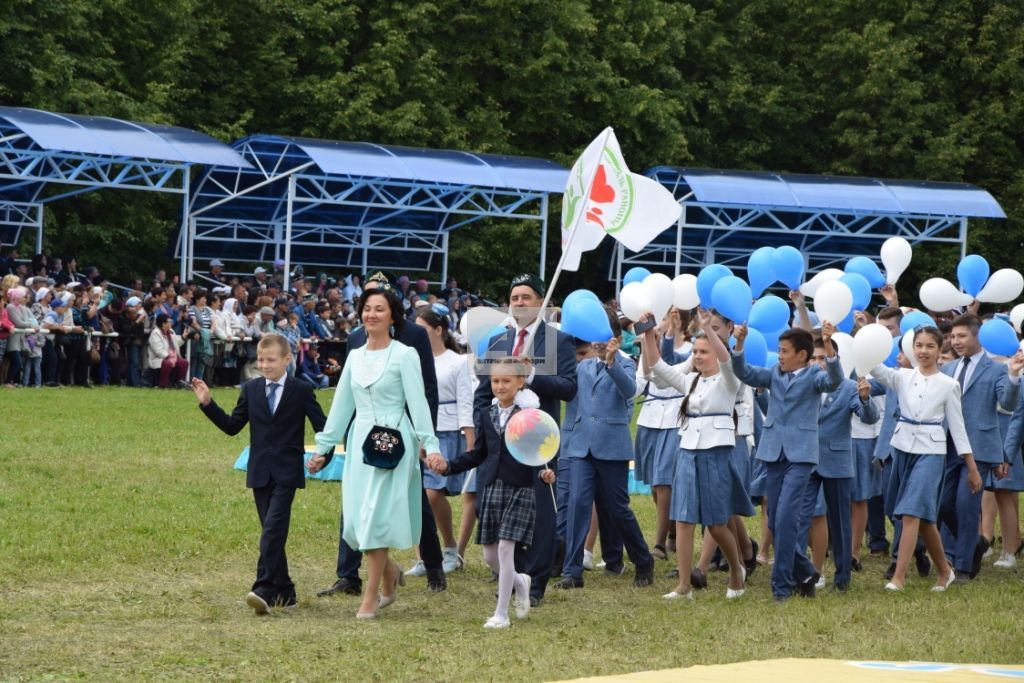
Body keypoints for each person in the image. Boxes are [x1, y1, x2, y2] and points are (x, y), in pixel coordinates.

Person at [309, 286, 441, 619]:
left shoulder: (404, 354)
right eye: (367, 308)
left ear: (393, 315)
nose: (372, 315)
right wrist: (324, 448)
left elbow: (418, 404)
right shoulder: (354, 356)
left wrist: (432, 444)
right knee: (357, 521)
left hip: (394, 444)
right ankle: (390, 571)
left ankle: (369, 599)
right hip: (359, 443)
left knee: (376, 518)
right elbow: (341, 407)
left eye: (379, 309)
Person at [192, 334, 333, 614]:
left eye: (271, 360)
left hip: (287, 472)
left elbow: (324, 428)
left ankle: (263, 587)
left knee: (272, 531)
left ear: (287, 360)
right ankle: (287, 592)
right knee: (273, 534)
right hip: (259, 472)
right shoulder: (252, 389)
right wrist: (208, 403)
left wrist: (323, 457)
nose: (265, 365)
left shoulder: (301, 390)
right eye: (261, 360)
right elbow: (233, 426)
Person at [428, 359, 556, 628]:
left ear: (520, 382)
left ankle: (502, 613)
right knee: (490, 556)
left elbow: (542, 450)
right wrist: (450, 466)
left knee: (506, 548)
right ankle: (520, 580)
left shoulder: (529, 414)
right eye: (495, 381)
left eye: (506, 381)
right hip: (493, 487)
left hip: (522, 488)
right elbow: (479, 454)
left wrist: (547, 474)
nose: (500, 386)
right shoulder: (486, 414)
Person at [475, 273, 576, 606]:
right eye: (514, 297)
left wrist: (532, 375)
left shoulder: (556, 341)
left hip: (537, 440)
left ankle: (534, 584)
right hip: (500, 441)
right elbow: (481, 392)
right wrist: (483, 427)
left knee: (540, 512)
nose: (519, 303)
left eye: (526, 297)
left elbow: (568, 388)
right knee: (500, 506)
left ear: (541, 302)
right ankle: (510, 576)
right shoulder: (499, 342)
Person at [731, 322, 844, 601]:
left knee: (785, 518)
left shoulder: (815, 376)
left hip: (802, 455)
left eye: (784, 351)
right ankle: (806, 571)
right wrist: (739, 345)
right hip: (772, 452)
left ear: (802, 355)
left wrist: (828, 347)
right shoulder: (773, 374)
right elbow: (743, 372)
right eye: (779, 350)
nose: (779, 356)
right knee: (774, 524)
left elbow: (834, 381)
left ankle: (780, 587)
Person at [644, 310, 752, 600]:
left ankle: (736, 571)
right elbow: (657, 367)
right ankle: (683, 586)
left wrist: (708, 330)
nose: (699, 356)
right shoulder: (690, 381)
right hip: (688, 451)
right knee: (683, 519)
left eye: (704, 351)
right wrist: (646, 333)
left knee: (717, 523)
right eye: (695, 351)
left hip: (716, 452)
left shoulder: (730, 381)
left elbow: (728, 362)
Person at [869, 325, 984, 591]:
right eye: (918, 345)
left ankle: (898, 577)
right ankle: (945, 571)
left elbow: (957, 428)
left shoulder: (949, 384)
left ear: (938, 349)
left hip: (931, 454)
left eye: (929, 346)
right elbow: (874, 368)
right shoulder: (902, 377)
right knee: (923, 519)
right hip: (901, 449)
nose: (923, 351)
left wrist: (971, 466)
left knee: (911, 512)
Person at [557, 309, 654, 590]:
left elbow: (629, 391)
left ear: (614, 337)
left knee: (617, 509)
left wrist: (611, 363)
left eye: (603, 337)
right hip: (580, 448)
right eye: (593, 338)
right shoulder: (583, 366)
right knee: (577, 504)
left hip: (612, 448)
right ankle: (572, 571)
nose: (598, 343)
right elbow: (567, 395)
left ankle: (642, 558)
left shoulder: (625, 364)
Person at [938, 314, 1021, 582]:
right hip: (947, 446)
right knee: (941, 504)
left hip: (979, 449)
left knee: (966, 504)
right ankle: (972, 545)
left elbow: (1007, 405)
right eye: (952, 336)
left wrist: (1012, 376)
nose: (956, 341)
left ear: (977, 337)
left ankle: (963, 567)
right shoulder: (948, 369)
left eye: (962, 336)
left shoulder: (996, 369)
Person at [800, 338, 878, 591]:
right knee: (800, 516)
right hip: (806, 458)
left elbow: (869, 417)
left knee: (840, 520)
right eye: (813, 358)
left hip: (837, 459)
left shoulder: (847, 387)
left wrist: (866, 398)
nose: (817, 363)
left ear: (835, 359)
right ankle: (801, 572)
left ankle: (842, 576)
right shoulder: (802, 384)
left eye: (823, 358)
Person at [410, 306, 476, 576]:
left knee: (433, 492)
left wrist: (470, 440)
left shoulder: (457, 362)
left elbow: (465, 401)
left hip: (447, 431)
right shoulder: (412, 359)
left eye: (423, 330)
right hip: (418, 431)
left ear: (439, 330)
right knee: (417, 495)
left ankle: (450, 548)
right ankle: (424, 557)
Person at [149, 314, 189, 388]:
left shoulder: (171, 331)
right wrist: (169, 357)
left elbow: (177, 343)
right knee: (168, 363)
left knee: (184, 362)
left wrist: (183, 337)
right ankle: (162, 385)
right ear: (163, 324)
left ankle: (180, 383)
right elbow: (158, 351)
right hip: (159, 359)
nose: (171, 323)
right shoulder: (155, 333)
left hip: (172, 357)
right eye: (169, 321)